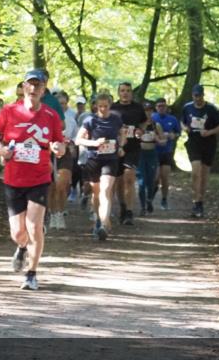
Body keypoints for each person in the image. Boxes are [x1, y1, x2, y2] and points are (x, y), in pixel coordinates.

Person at [0, 69, 65, 291]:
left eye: (38, 85)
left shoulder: (51, 116)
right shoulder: (9, 111)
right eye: (30, 84)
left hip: (40, 176)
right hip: (13, 178)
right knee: (18, 233)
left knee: (34, 226)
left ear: (44, 89)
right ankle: (22, 248)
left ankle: (32, 273)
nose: (33, 89)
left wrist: (58, 149)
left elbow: (59, 145)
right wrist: (2, 151)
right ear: (23, 86)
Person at [75, 92, 124, 241]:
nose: (103, 109)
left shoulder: (116, 119)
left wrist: (120, 146)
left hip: (111, 159)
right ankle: (98, 219)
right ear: (96, 105)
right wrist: (94, 143)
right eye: (100, 106)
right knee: (96, 193)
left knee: (106, 190)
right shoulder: (90, 120)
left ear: (110, 105)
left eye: (106, 106)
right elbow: (78, 140)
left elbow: (122, 134)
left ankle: (104, 224)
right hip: (94, 160)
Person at [181, 84, 219, 218]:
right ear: (192, 95)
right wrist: (185, 128)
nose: (197, 98)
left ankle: (200, 202)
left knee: (204, 175)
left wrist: (210, 132)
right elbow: (181, 122)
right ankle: (195, 201)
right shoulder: (187, 107)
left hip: (208, 143)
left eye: (199, 96)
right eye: (195, 96)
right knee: (196, 172)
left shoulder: (211, 109)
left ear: (203, 95)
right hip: (194, 142)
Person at [109, 81, 147, 226]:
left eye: (128, 90)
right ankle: (123, 207)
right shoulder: (113, 108)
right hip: (116, 149)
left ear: (132, 93)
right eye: (123, 90)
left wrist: (140, 130)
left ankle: (130, 211)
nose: (125, 93)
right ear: (119, 93)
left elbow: (143, 122)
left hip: (132, 148)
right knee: (118, 181)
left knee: (129, 177)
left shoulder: (138, 108)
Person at [47, 91, 78, 230]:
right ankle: (52, 213)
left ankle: (59, 212)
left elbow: (76, 137)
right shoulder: (46, 117)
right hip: (48, 153)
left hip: (65, 154)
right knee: (51, 187)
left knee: (61, 185)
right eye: (59, 104)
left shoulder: (71, 120)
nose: (62, 106)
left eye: (64, 104)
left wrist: (71, 145)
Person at [135, 101, 165, 215]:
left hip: (152, 154)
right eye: (145, 110)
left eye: (150, 110)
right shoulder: (138, 125)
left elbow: (163, 141)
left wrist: (157, 139)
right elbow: (133, 138)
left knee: (151, 181)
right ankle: (142, 207)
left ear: (152, 111)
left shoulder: (156, 125)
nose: (147, 113)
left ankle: (149, 200)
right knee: (141, 181)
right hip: (141, 154)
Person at [151, 97, 181, 210]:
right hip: (154, 151)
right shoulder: (153, 118)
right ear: (156, 107)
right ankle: (150, 198)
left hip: (167, 152)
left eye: (163, 106)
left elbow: (178, 132)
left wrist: (174, 136)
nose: (161, 108)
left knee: (165, 177)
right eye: (159, 106)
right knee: (155, 177)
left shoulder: (172, 119)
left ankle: (164, 200)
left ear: (166, 107)